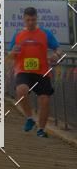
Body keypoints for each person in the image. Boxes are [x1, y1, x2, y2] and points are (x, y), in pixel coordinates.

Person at [8, 7, 59, 138]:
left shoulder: (45, 33)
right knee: (21, 90)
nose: (31, 22)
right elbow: (10, 55)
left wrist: (56, 55)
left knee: (44, 100)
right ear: (24, 20)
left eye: (33, 20)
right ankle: (30, 118)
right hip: (23, 70)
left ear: (37, 19)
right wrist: (13, 52)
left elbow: (58, 49)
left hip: (42, 72)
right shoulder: (18, 35)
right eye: (28, 20)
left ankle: (41, 129)